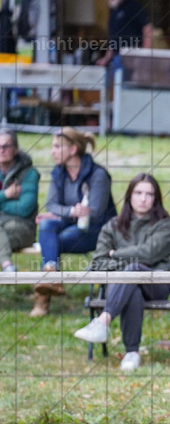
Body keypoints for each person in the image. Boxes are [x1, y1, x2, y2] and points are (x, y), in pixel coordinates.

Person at [72, 174, 170, 372]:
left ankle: (103, 321)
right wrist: (124, 266)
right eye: (138, 192)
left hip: (157, 284)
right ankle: (132, 353)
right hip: (125, 289)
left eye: (149, 194)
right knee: (132, 286)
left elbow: (149, 253)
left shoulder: (165, 224)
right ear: (129, 196)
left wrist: (117, 254)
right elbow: (99, 262)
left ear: (156, 198)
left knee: (134, 270)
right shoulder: (112, 226)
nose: (143, 198)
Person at [32, 128, 117, 317]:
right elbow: (51, 204)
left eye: (56, 147)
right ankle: (53, 278)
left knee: (52, 241)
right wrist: (71, 211)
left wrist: (63, 214)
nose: (52, 151)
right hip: (72, 223)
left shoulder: (98, 174)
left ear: (72, 150)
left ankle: (43, 299)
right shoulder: (58, 173)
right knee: (46, 227)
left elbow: (95, 213)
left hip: (98, 231)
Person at [0, 129, 39, 272]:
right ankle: (7, 266)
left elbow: (24, 208)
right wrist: (6, 195)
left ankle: (7, 267)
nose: (1, 150)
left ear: (16, 149)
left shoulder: (29, 174)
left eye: (6, 146)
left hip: (22, 227)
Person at [95, 0, 153, 75]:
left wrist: (145, 55)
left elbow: (147, 29)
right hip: (117, 58)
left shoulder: (133, 7)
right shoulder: (114, 12)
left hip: (133, 57)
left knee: (128, 88)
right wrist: (106, 59)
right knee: (112, 85)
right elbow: (113, 39)